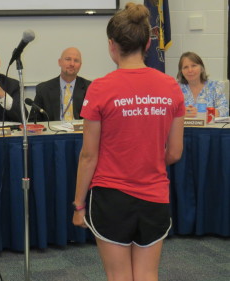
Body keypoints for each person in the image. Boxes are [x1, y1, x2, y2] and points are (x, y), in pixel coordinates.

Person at [72, 3, 185, 281]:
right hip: (155, 196)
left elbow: (89, 155)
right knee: (147, 274)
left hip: (112, 198)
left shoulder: (99, 88)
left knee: (118, 275)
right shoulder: (171, 86)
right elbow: (175, 153)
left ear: (112, 45)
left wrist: (78, 205)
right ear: (148, 43)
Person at [29, 47, 91, 122]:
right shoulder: (44, 89)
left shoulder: (90, 88)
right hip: (53, 132)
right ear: (59, 62)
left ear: (80, 65)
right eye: (68, 59)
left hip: (80, 132)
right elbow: (33, 122)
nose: (72, 64)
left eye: (76, 61)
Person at [177, 51, 229, 118]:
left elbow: (225, 111)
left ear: (202, 68)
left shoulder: (215, 87)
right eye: (185, 67)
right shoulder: (175, 88)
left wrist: (201, 113)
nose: (190, 70)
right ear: (181, 71)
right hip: (183, 128)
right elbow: (167, 111)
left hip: (210, 128)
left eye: (194, 66)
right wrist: (181, 113)